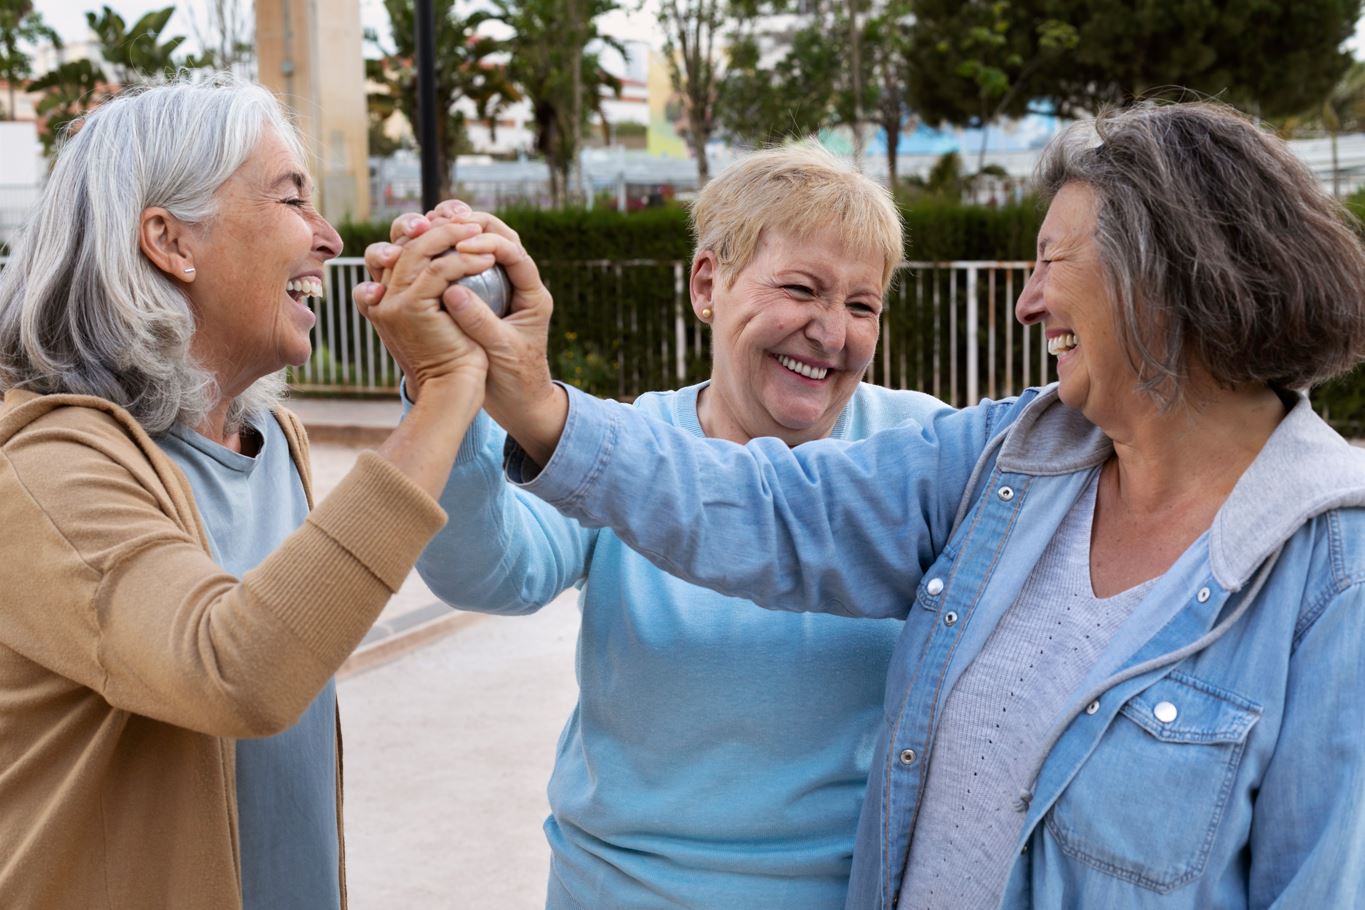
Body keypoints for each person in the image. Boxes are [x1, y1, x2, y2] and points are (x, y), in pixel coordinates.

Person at [437, 101, 1365, 908]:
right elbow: (768, 511)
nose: (1026, 304)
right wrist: (517, 401)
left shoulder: (1333, 572)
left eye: (1049, 262)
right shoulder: (1007, 462)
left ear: (1163, 279)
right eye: (798, 288)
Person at [356, 144, 947, 908]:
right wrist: (443, 383)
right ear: (708, 283)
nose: (831, 333)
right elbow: (490, 572)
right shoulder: (627, 443)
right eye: (801, 289)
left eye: (861, 305)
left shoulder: (919, 446)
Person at [0, 75, 491, 909]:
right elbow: (239, 670)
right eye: (293, 199)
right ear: (169, 239)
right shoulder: (43, 465)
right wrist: (443, 390)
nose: (330, 237)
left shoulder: (272, 444)